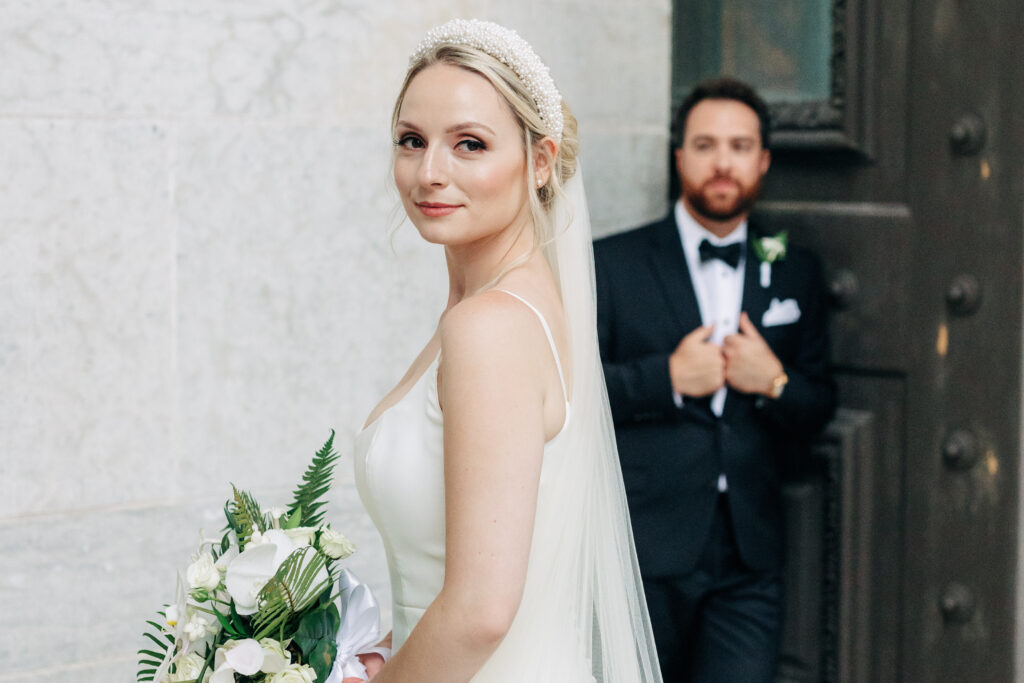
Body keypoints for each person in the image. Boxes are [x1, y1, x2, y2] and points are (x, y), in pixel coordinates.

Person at [350, 19, 662, 683]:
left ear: (541, 161)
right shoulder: (510, 306)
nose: (430, 172)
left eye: (470, 144)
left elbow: (481, 611)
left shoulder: (491, 326)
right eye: (412, 140)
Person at [593, 77, 836, 682]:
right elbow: (566, 395)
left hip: (748, 560)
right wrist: (666, 378)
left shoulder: (797, 271)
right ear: (679, 158)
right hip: (643, 548)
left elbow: (818, 405)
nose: (723, 162)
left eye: (739, 146)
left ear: (764, 160)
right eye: (705, 145)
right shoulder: (611, 264)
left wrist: (774, 381)